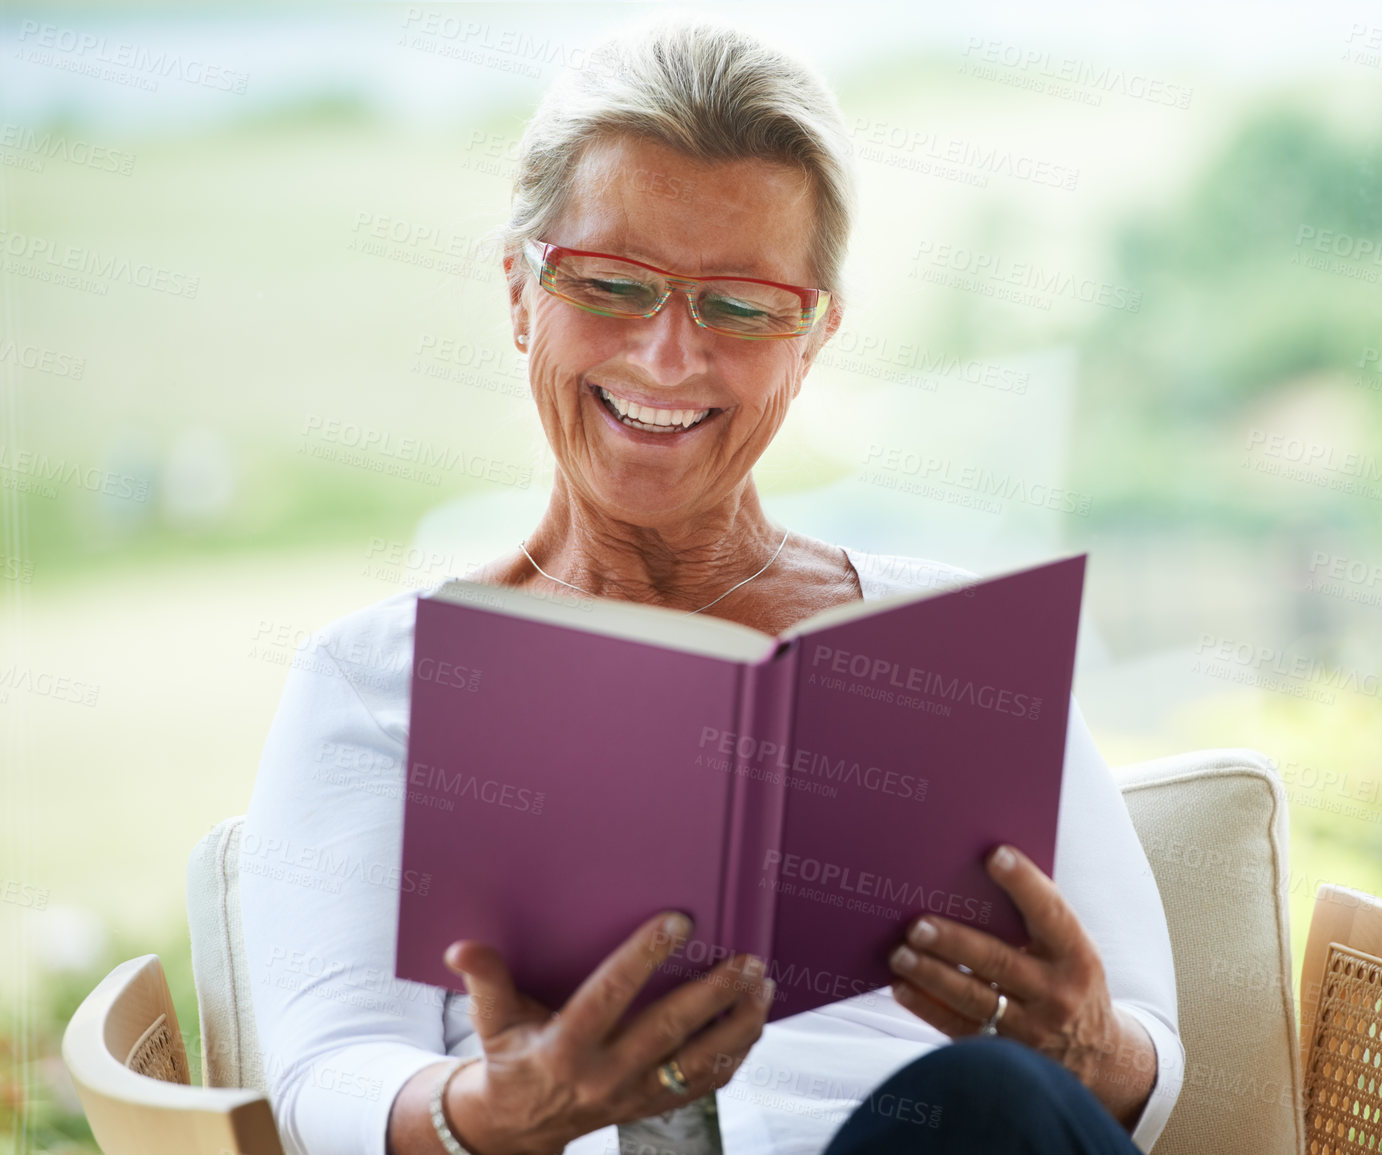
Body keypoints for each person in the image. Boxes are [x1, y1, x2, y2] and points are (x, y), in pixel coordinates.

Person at [238, 20, 1182, 1155]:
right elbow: (322, 1073)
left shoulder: (954, 655)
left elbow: (1142, 1062)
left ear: (813, 338)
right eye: (612, 283)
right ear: (519, 290)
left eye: (739, 306)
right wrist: (487, 1113)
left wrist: (1091, 1047)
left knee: (997, 1100)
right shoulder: (376, 679)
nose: (668, 358)